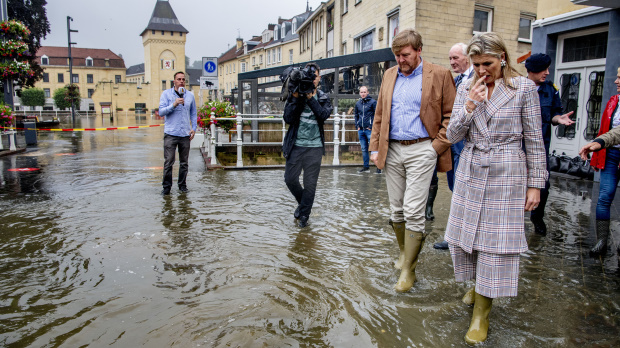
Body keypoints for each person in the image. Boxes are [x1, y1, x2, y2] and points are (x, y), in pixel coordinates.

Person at [444, 32, 548, 345]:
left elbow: (534, 139)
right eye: (475, 64)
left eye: (487, 63)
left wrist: (535, 184)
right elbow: (452, 134)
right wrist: (471, 104)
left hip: (507, 172)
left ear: (502, 57)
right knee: (469, 239)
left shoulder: (524, 88)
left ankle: (482, 314)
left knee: (495, 243)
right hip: (472, 168)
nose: (481, 70)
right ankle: (477, 285)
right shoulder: (466, 85)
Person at [369, 28, 455, 292]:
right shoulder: (389, 74)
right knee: (396, 209)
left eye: (405, 55)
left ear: (419, 51)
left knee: (414, 210)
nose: (400, 60)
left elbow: (452, 116)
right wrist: (374, 147)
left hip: (422, 149)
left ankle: (408, 270)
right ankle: (405, 254)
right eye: (397, 55)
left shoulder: (439, 74)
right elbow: (380, 114)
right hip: (392, 149)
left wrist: (434, 148)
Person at [525, 53, 575, 235]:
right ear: (532, 70)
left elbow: (554, 115)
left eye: (548, 68)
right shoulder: (518, 88)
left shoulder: (550, 89)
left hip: (540, 147)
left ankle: (537, 217)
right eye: (543, 69)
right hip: (518, 147)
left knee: (543, 186)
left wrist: (558, 119)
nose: (547, 72)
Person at [432, 43, 475, 250]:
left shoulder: (477, 79)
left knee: (464, 192)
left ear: (467, 57)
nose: (452, 62)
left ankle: (458, 238)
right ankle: (457, 236)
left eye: (455, 58)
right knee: (453, 189)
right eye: (450, 59)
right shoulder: (455, 80)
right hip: (452, 146)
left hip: (467, 147)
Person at [282, 63, 333, 228]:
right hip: (296, 145)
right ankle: (304, 204)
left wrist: (310, 98)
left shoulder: (324, 97)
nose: (313, 79)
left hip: (315, 147)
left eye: (316, 76)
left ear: (319, 78)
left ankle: (304, 218)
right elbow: (288, 118)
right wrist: (296, 97)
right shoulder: (296, 94)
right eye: (310, 76)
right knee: (290, 179)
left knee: (310, 184)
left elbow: (323, 115)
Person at [579, 66, 620, 255]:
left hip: (608, 147)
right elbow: (610, 130)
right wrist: (598, 143)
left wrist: (599, 142)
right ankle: (601, 242)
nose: (616, 81)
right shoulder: (614, 102)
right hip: (611, 155)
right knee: (604, 198)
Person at [159, 71, 197, 195]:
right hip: (171, 133)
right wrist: (174, 104)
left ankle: (182, 186)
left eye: (183, 79)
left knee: (184, 162)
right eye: (179, 79)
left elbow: (193, 113)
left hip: (185, 134)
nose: (181, 81)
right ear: (174, 81)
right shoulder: (166, 94)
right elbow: (161, 112)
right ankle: (166, 187)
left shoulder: (190, 96)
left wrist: (194, 128)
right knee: (169, 161)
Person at [354, 86, 379, 173]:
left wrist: (371, 126)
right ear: (359, 93)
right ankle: (366, 167)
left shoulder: (373, 102)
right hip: (361, 129)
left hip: (369, 129)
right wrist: (357, 125)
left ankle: (378, 167)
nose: (363, 94)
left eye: (364, 92)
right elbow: (356, 115)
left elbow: (376, 115)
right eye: (361, 92)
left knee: (374, 148)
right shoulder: (358, 103)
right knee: (364, 149)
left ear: (367, 92)